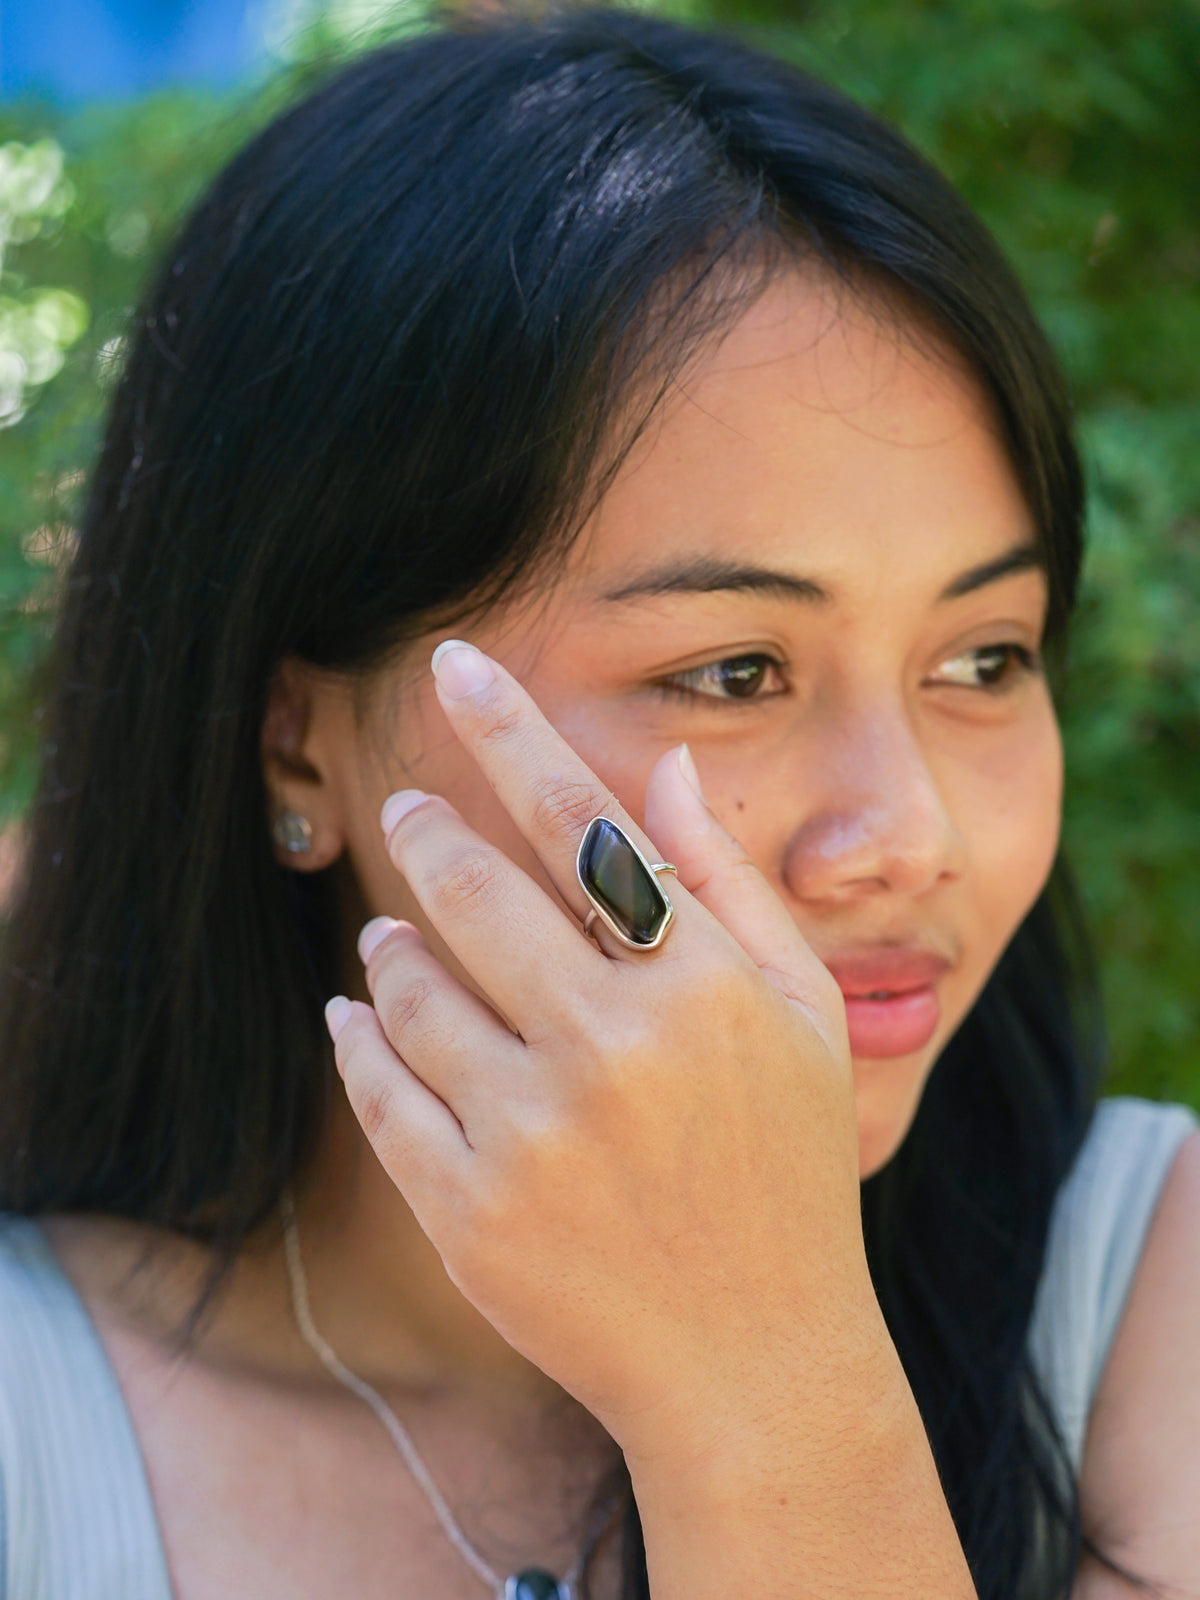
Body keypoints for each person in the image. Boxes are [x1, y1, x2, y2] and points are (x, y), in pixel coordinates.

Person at [0, 9, 1195, 1598]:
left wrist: (771, 1394)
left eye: (984, 657)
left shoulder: (1145, 1307)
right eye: (733, 671)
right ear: (295, 743)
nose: (910, 832)